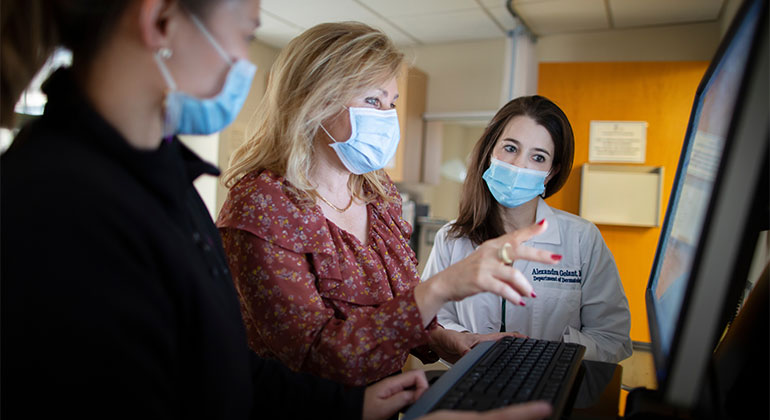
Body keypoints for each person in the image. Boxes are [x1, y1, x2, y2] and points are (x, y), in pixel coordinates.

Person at [0, 0, 554, 419]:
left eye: (391, 103)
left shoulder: (164, 181)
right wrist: (443, 287)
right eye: (243, 35)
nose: (244, 63)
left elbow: (223, 364)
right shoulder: (63, 203)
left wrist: (369, 397)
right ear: (161, 22)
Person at [217, 21, 563, 389]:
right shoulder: (264, 205)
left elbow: (391, 314)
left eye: (390, 103)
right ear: (316, 99)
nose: (386, 118)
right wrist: (440, 288)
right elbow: (317, 354)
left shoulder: (378, 193)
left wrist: (451, 342)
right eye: (372, 101)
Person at [421, 95, 633, 363]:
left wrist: (544, 355)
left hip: (554, 391)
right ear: (490, 152)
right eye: (510, 148)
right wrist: (462, 339)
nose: (520, 165)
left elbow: (612, 338)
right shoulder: (452, 239)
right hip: (470, 382)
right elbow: (433, 319)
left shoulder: (581, 239)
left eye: (538, 157)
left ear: (550, 173)